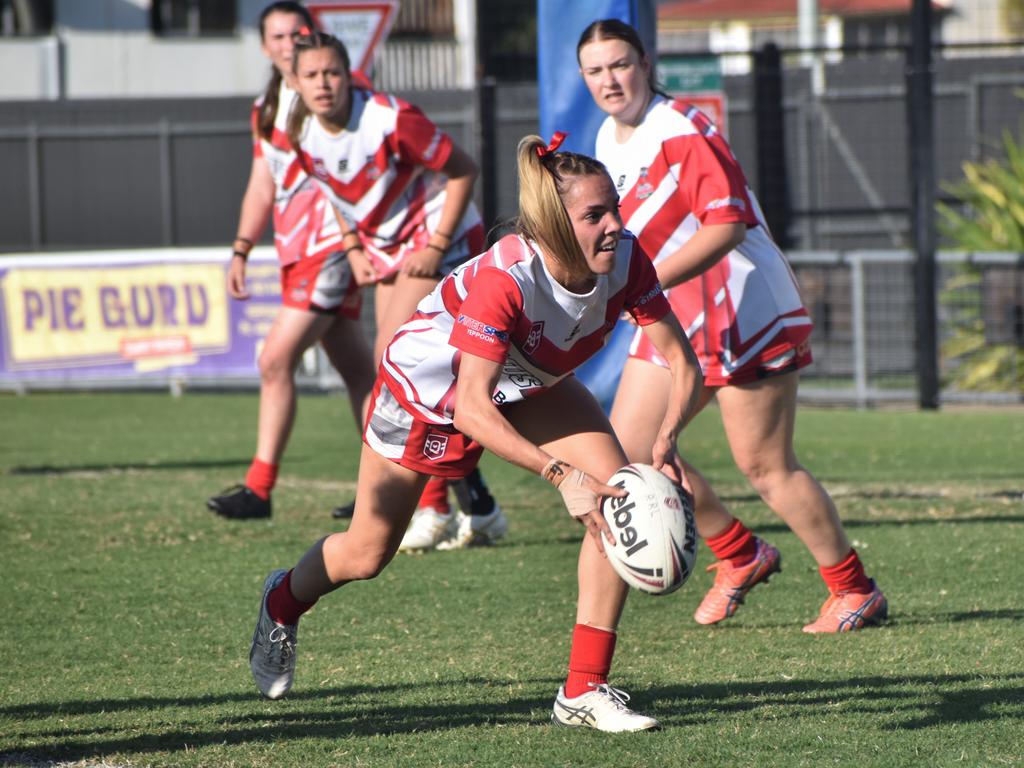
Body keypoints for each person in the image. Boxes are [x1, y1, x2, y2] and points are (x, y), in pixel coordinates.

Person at [247, 133, 704, 732]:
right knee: (365, 554)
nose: (616, 225)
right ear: (554, 224)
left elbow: (684, 362)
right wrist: (560, 474)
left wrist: (667, 438)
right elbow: (471, 408)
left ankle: (583, 690)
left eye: (615, 207)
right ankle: (282, 602)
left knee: (612, 494)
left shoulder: (626, 261)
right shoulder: (507, 278)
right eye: (596, 215)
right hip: (429, 395)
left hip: (527, 382)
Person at [577, 19, 888, 633]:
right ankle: (739, 552)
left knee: (766, 466)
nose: (609, 80)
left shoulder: (681, 130)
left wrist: (644, 284)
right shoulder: (607, 137)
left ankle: (855, 590)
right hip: (674, 314)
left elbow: (728, 227)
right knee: (626, 456)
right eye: (595, 70)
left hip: (741, 308)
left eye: (620, 64)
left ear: (646, 61)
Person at [286, 29, 507, 551]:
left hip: (441, 241)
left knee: (400, 366)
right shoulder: (299, 126)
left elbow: (463, 170)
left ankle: (432, 508)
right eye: (312, 75)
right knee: (407, 374)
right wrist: (353, 245)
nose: (324, 84)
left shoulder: (388, 117)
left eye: (333, 72)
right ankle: (476, 503)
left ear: (350, 74)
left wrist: (435, 243)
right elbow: (331, 191)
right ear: (293, 81)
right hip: (391, 250)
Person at [207, 2, 375, 521]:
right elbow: (263, 183)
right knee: (362, 374)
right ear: (264, 46)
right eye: (276, 36)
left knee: (274, 360)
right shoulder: (266, 106)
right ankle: (399, 489)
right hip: (295, 252)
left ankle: (259, 489)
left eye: (295, 33)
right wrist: (240, 247)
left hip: (333, 248)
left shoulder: (341, 93)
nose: (286, 43)